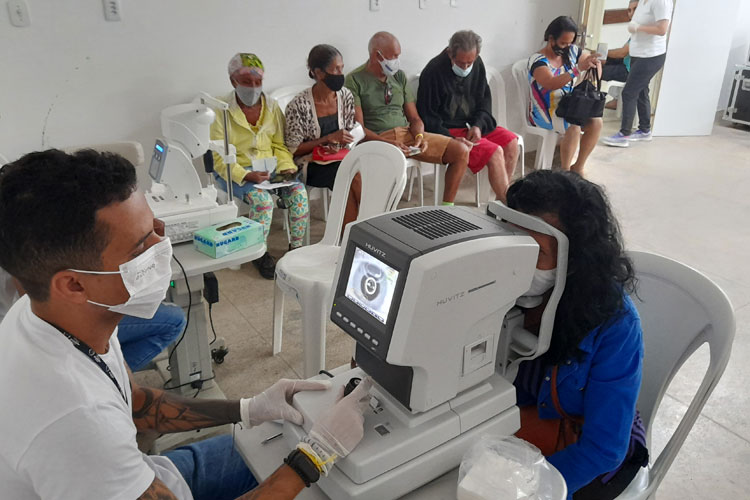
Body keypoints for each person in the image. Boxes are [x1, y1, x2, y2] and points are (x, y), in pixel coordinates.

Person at [0, 149, 372, 500]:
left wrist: (249, 408)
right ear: (74, 284)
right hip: (124, 478)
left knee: (282, 434)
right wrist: (316, 457)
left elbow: (137, 405)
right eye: (142, 244)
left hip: (151, 473)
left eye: (156, 226)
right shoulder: (77, 425)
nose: (163, 244)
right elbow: (96, 436)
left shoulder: (53, 313)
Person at [508, 170, 648, 499]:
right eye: (513, 243)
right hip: (523, 430)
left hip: (588, 457)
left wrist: (529, 490)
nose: (517, 263)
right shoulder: (501, 290)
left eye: (536, 252)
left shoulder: (615, 325)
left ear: (574, 259)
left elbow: (603, 448)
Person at [211, 53, 310, 279]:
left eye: (258, 82)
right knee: (263, 202)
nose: (254, 88)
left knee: (298, 193)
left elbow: (279, 144)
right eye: (247, 82)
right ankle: (259, 253)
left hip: (271, 170)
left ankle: (296, 249)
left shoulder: (272, 107)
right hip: (239, 171)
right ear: (233, 81)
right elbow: (219, 158)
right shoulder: (220, 111)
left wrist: (286, 167)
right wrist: (246, 175)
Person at [345, 31, 471, 206]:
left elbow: (415, 119)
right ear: (377, 55)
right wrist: (389, 144)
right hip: (379, 138)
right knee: (377, 182)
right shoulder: (354, 80)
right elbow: (359, 128)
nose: (397, 60)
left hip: (408, 135)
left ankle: (446, 209)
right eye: (394, 56)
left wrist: (419, 138)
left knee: (461, 151)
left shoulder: (399, 76)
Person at [418, 30, 519, 203]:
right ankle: (507, 205)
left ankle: (499, 202)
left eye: (469, 62)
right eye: (460, 62)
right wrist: (451, 139)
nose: (465, 67)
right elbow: (428, 116)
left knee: (511, 142)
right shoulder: (433, 71)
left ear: (477, 55)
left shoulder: (477, 64)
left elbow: (484, 101)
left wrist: (478, 125)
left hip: (472, 125)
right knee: (495, 152)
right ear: (450, 53)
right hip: (447, 129)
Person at [284, 44, 362, 227]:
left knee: (361, 172)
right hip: (312, 164)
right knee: (350, 177)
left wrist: (351, 137)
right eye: (335, 69)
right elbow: (293, 149)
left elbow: (351, 131)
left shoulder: (346, 96)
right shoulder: (299, 105)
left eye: (342, 68)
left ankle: (359, 231)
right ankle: (354, 235)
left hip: (342, 156)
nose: (340, 73)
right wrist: (327, 139)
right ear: (318, 73)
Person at [528, 16, 603, 174]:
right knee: (573, 126)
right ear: (551, 39)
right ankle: (565, 172)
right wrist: (577, 69)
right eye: (563, 43)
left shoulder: (572, 52)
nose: (566, 47)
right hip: (544, 111)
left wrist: (595, 64)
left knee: (596, 123)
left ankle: (578, 166)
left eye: (570, 43)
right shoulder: (538, 60)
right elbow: (550, 83)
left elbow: (588, 61)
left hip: (568, 105)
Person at [603, 0, 673, 147]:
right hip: (638, 53)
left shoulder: (662, 2)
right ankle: (645, 130)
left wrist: (638, 27)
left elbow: (662, 29)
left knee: (629, 92)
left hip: (650, 56)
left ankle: (624, 134)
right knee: (641, 91)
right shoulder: (642, 2)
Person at [601, 1, 639, 110]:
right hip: (626, 63)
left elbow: (623, 52)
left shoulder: (642, 31)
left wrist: (602, 52)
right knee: (599, 62)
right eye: (629, 10)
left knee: (596, 71)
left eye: (635, 9)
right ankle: (616, 99)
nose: (631, 14)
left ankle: (592, 101)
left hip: (630, 71)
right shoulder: (636, 30)